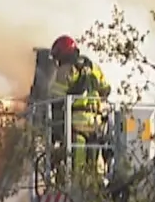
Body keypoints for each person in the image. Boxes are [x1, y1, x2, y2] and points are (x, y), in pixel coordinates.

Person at [45, 35, 113, 179]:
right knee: (96, 161)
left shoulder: (65, 71)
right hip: (96, 124)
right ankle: (97, 185)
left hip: (77, 124)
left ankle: (78, 186)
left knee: (78, 164)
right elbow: (106, 89)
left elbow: (56, 100)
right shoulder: (93, 67)